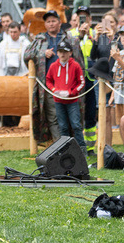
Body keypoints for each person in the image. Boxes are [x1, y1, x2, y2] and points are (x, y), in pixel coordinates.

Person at [26, 9, 86, 144]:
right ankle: (60, 146)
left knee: (73, 119)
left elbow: (80, 62)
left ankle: (76, 147)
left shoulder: (70, 39)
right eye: (48, 21)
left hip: (70, 87)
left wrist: (78, 87)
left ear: (59, 23)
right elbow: (26, 54)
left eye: (54, 21)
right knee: (53, 117)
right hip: (50, 86)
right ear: (45, 24)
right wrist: (42, 53)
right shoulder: (40, 40)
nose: (51, 24)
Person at [46, 39, 86, 153]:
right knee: (62, 126)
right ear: (57, 53)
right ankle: (66, 151)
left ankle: (82, 150)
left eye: (65, 51)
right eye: (60, 51)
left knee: (76, 125)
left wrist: (71, 92)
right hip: (58, 100)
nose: (62, 54)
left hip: (72, 101)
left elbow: (81, 82)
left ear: (70, 53)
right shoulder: (53, 66)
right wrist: (54, 89)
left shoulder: (76, 66)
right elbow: (48, 80)